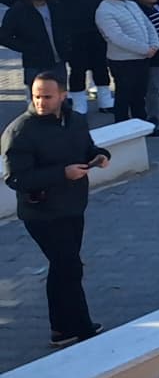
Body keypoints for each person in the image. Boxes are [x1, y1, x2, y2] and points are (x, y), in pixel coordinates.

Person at [1, 71, 111, 347]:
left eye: (47, 97)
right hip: (42, 213)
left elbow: (87, 148)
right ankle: (83, 329)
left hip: (73, 206)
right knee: (70, 266)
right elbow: (16, 178)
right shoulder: (20, 131)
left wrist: (100, 156)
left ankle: (61, 329)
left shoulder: (75, 121)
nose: (41, 102)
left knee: (63, 267)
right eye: (36, 96)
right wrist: (62, 174)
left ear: (63, 95)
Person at [94, 0, 159, 131]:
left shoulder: (131, 4)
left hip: (142, 58)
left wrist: (154, 45)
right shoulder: (104, 11)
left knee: (139, 96)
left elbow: (148, 25)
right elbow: (117, 38)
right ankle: (122, 129)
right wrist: (145, 49)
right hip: (123, 62)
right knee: (124, 97)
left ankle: (142, 128)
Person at [0, 0, 71, 86]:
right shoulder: (18, 11)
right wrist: (27, 48)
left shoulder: (56, 6)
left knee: (60, 94)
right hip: (34, 65)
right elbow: (4, 37)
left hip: (58, 63)